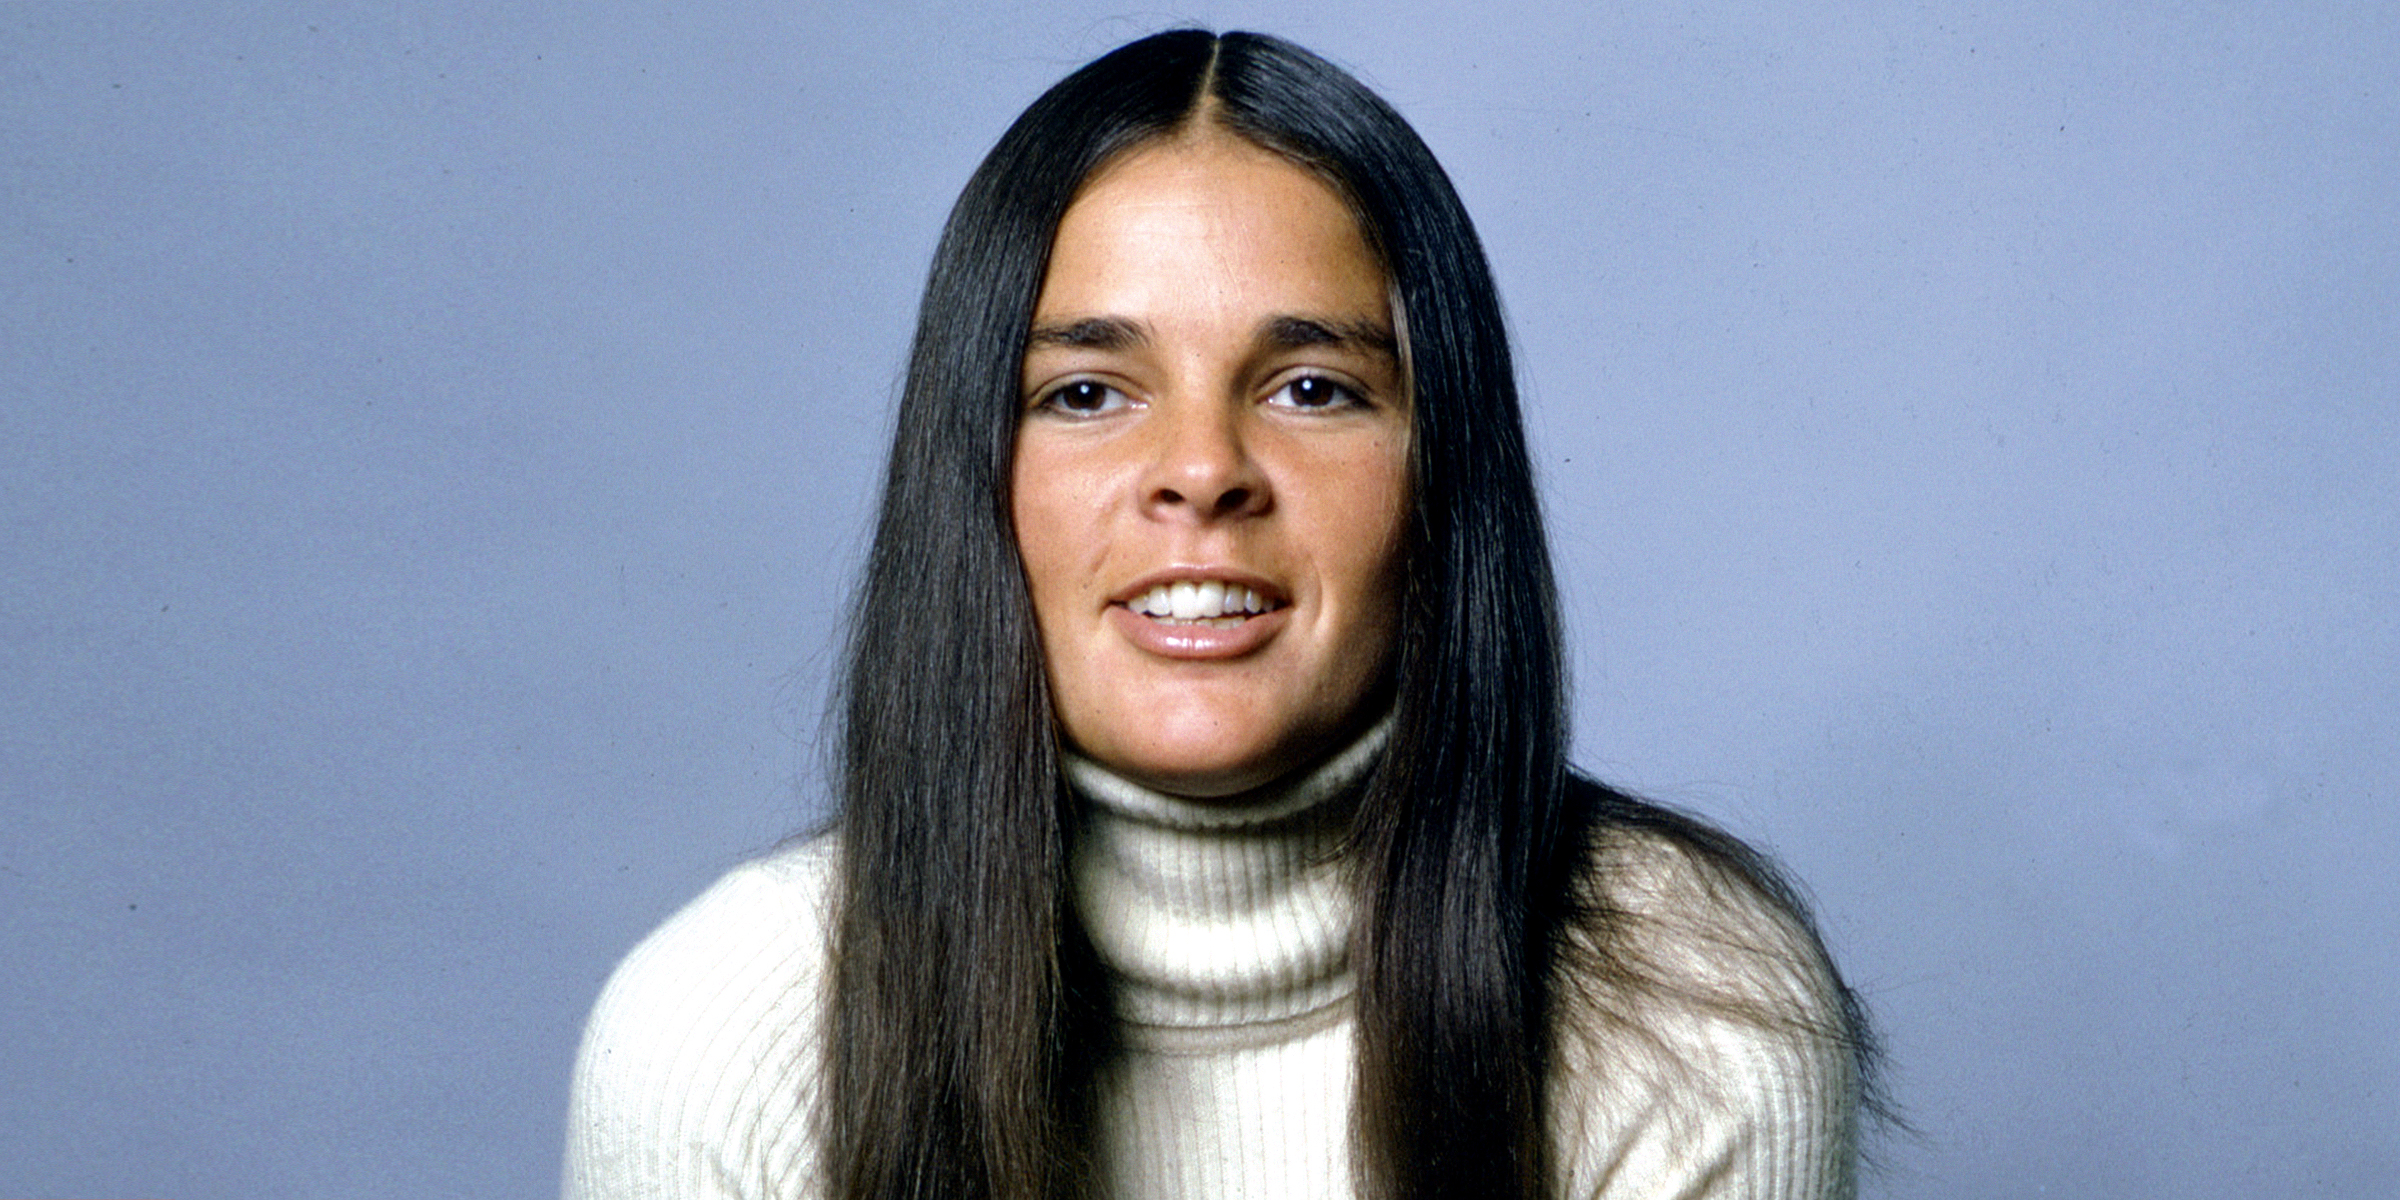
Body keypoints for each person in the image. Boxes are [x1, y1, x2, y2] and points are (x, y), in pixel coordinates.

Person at [564, 28, 1880, 1200]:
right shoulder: (719, 1033)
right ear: (974, 469)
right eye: (1086, 392)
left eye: (1312, 388)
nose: (1202, 469)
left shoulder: (1687, 1006)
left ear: (1443, 469)